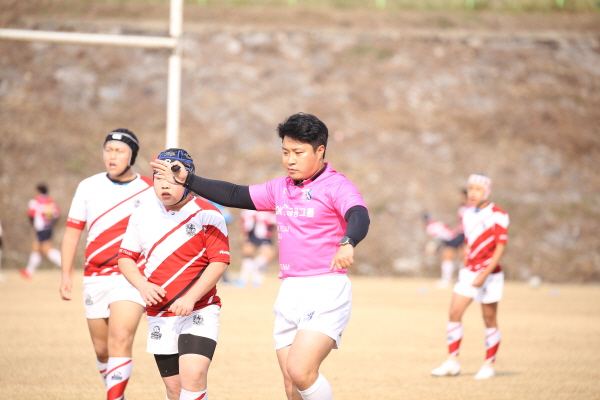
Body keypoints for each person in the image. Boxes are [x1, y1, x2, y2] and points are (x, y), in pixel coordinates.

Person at [152, 112, 370, 400]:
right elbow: (234, 194)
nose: (290, 160)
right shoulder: (280, 188)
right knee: (291, 385)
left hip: (325, 288)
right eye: (285, 152)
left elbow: (358, 214)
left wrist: (348, 241)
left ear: (320, 150)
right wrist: (188, 179)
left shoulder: (336, 185)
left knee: (301, 371)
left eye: (298, 153)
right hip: (290, 289)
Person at [118, 148, 230, 400]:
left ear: (187, 179)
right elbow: (125, 257)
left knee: (193, 376)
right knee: (175, 388)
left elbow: (219, 262)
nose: (164, 184)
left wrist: (190, 298)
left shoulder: (208, 213)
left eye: (172, 177)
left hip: (200, 309)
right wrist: (142, 285)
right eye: (159, 177)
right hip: (160, 312)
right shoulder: (142, 214)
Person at [59, 129, 154, 400]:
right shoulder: (88, 186)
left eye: (119, 151)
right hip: (95, 276)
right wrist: (66, 275)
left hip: (132, 276)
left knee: (120, 339)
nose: (112, 156)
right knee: (102, 351)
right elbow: (72, 233)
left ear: (131, 156)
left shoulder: (149, 189)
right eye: (108, 150)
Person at [430, 174, 509, 380]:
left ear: (487, 191)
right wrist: (466, 263)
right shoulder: (467, 213)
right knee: (454, 312)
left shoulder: (498, 214)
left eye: (478, 189)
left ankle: (489, 365)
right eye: (470, 189)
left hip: (490, 274)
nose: (472, 193)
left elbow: (500, 248)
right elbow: (467, 242)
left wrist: (484, 274)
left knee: (489, 318)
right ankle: (452, 362)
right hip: (469, 272)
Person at [424, 189, 469, 288]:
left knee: (461, 256)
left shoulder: (472, 207)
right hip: (460, 233)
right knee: (456, 255)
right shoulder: (462, 207)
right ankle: (453, 280)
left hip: (466, 233)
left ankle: (460, 280)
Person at [21, 183, 62, 279]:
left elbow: (31, 214)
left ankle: (66, 265)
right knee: (36, 248)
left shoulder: (35, 201)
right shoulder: (50, 201)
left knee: (47, 250)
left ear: (38, 191)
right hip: (48, 227)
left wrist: (34, 225)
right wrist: (51, 225)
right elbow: (57, 214)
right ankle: (29, 271)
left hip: (41, 228)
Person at [236, 209, 277, 287]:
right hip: (251, 234)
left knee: (268, 256)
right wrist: (243, 234)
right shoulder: (248, 210)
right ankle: (243, 279)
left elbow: (274, 222)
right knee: (247, 254)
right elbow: (243, 222)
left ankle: (255, 274)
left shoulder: (270, 210)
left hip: (265, 235)